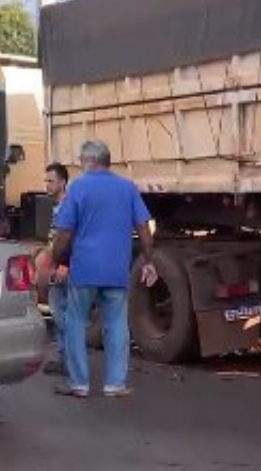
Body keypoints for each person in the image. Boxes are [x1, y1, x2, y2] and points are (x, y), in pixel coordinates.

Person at [51, 140, 158, 398]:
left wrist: (56, 258)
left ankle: (79, 383)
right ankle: (115, 384)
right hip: (116, 270)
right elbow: (144, 227)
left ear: (89, 161)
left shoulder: (78, 187)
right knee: (117, 324)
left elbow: (65, 232)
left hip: (85, 269)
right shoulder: (127, 188)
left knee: (75, 322)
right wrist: (148, 260)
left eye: (81, 160)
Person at [43, 162, 70, 376]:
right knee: (59, 313)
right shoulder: (59, 207)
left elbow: (69, 238)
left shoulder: (66, 207)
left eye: (51, 181)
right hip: (58, 265)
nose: (47, 185)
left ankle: (70, 361)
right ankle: (64, 359)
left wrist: (62, 265)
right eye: (46, 181)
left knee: (62, 315)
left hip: (63, 267)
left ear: (62, 182)